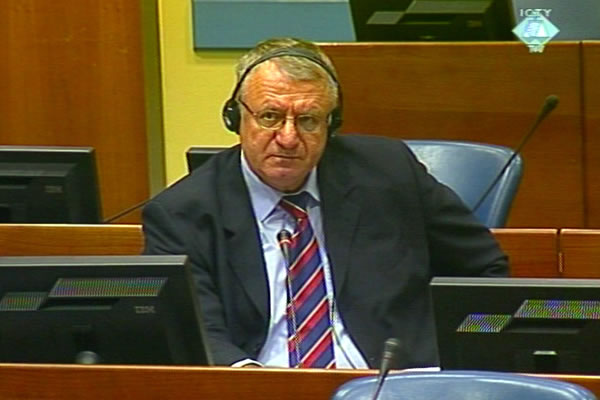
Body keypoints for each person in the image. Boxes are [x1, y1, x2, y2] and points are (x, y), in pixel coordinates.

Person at [142, 37, 508, 369]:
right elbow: (193, 331)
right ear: (236, 118)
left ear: (332, 124)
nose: (288, 137)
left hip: (394, 384)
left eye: (308, 120)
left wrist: (458, 360)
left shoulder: (390, 173)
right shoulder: (181, 213)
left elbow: (486, 271)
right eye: (270, 116)